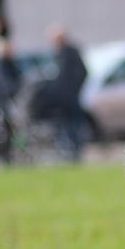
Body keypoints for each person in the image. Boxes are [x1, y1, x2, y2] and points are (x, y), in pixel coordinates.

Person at [46, 25, 88, 160]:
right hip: (60, 98)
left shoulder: (71, 52)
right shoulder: (58, 54)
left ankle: (75, 152)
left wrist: (74, 89)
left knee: (74, 125)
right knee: (63, 125)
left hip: (71, 96)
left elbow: (83, 72)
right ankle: (68, 152)